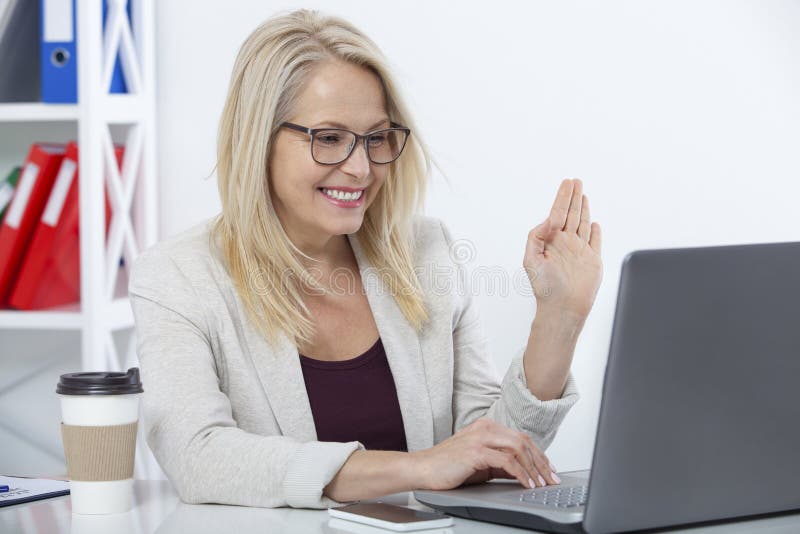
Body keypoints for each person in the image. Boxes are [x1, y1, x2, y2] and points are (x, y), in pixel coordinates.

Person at [129, 9, 603, 509]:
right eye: (329, 138)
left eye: (376, 138)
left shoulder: (426, 252)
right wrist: (419, 467)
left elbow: (489, 450)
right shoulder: (177, 276)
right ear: (257, 140)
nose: (360, 168)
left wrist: (559, 317)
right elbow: (199, 456)